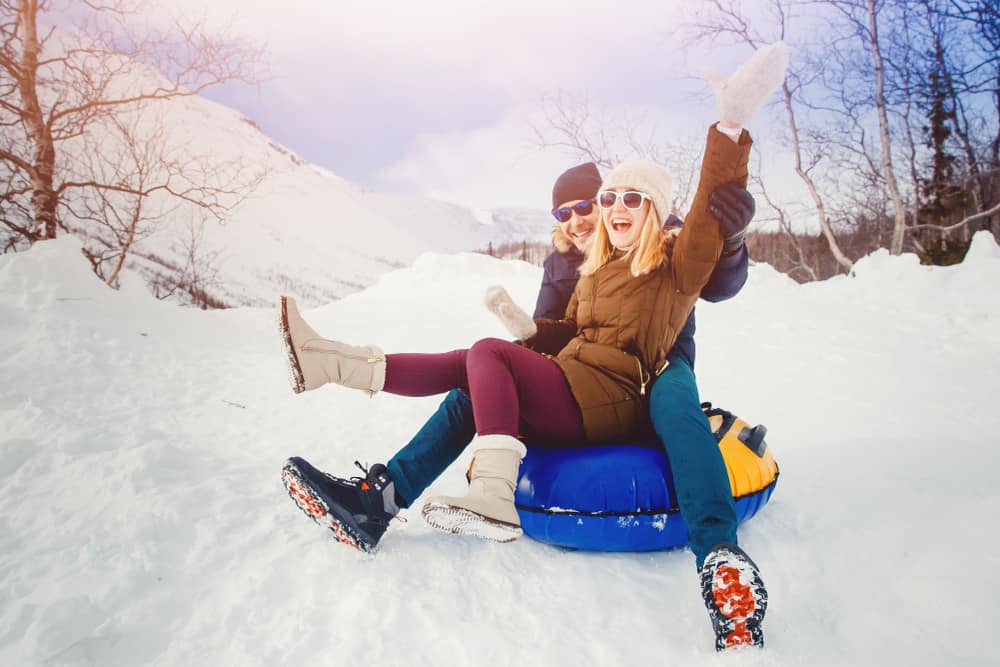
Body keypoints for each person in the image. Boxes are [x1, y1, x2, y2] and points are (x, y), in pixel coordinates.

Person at [278, 42, 788, 650]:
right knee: (474, 374)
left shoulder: (673, 262)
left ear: (655, 211)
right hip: (579, 381)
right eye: (607, 201)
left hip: (644, 378)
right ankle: (370, 481)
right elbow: (567, 332)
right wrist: (526, 326)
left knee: (499, 360)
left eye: (631, 199)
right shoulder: (589, 270)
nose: (612, 209)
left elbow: (711, 231)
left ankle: (716, 554)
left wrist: (728, 131)